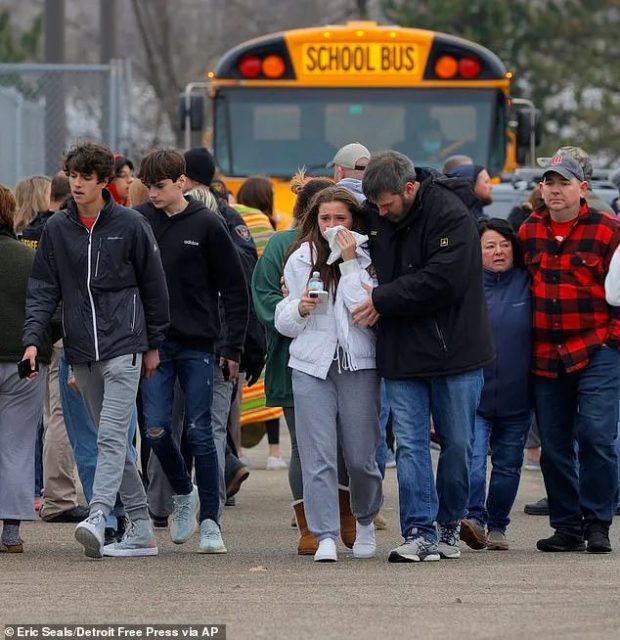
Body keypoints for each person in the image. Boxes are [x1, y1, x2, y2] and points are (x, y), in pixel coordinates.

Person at [22, 141, 170, 559]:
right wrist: (33, 340)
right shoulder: (56, 228)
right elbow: (43, 290)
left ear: (105, 181)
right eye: (74, 175)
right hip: (80, 350)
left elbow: (154, 288)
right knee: (114, 443)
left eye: (87, 177)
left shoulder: (130, 225)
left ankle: (99, 514)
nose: (79, 183)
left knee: (110, 434)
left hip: (126, 345)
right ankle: (141, 527)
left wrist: (154, 343)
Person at [356, 151, 493, 562]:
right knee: (411, 446)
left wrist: (383, 298)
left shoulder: (452, 215)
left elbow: (443, 280)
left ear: (410, 189)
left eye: (387, 204)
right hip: (401, 350)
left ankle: (450, 524)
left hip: (456, 350)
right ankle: (419, 530)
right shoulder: (375, 213)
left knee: (458, 445)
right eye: (376, 205)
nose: (380, 212)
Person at [136, 149, 249, 554]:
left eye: (160, 186)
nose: (153, 193)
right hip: (155, 345)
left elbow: (236, 290)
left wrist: (232, 347)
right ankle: (183, 491)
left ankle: (211, 522)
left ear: (181, 182)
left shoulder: (207, 224)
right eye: (148, 186)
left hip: (200, 343)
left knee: (202, 431)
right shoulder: (140, 222)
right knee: (155, 427)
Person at [275, 186, 383, 562]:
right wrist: (300, 309)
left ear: (354, 220)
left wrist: (351, 262)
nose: (332, 226)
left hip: (358, 364)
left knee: (360, 457)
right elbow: (284, 321)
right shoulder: (300, 258)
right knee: (317, 454)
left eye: (340, 218)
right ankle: (325, 535)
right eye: (325, 219)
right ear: (314, 221)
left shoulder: (370, 257)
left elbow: (362, 309)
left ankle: (365, 519)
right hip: (310, 366)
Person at [519, 154, 620, 553]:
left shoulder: (609, 230)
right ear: (541, 189)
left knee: (597, 436)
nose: (555, 190)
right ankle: (566, 526)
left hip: (598, 349)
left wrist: (614, 338)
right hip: (544, 353)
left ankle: (598, 523)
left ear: (583, 189)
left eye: (564, 182)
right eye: (549, 183)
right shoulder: (527, 230)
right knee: (555, 446)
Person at [251, 174, 335, 554]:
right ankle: (313, 526)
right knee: (309, 445)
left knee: (308, 446)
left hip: (328, 357)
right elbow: (267, 298)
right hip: (294, 357)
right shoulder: (283, 246)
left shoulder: (344, 246)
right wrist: (293, 314)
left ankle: (324, 524)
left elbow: (264, 297)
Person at [460, 218, 533, 552]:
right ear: (477, 252)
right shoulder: (466, 284)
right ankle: (474, 519)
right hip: (475, 395)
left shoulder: (527, 282)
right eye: (489, 246)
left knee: (507, 465)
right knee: (472, 463)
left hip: (518, 396)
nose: (498, 251)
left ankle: (498, 525)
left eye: (504, 244)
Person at [20, 172, 88, 524]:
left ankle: (34, 492)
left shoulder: (20, 237)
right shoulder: (61, 233)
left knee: (35, 419)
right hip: (60, 332)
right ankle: (59, 496)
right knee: (60, 415)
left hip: (29, 336)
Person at [0, 184, 53, 553]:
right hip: (25, 362)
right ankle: (12, 529)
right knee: (18, 445)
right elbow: (54, 305)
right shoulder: (29, 257)